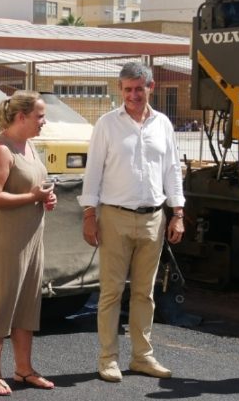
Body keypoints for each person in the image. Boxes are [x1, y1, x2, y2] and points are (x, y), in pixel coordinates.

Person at [79, 61, 186, 383]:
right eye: (128, 89)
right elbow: (93, 171)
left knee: (144, 293)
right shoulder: (107, 124)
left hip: (154, 218)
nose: (134, 95)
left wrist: (177, 213)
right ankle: (108, 359)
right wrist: (89, 215)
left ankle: (142, 357)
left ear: (150, 87)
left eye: (139, 88)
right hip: (114, 217)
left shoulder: (163, 124)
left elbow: (172, 170)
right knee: (111, 292)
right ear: (120, 90)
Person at [0, 91, 59, 397]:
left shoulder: (30, 147)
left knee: (27, 307)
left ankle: (24, 370)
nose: (44, 121)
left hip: (31, 238)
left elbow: (34, 188)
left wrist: (46, 197)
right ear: (21, 117)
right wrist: (33, 197)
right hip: (6, 242)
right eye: (40, 116)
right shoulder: (0, 149)